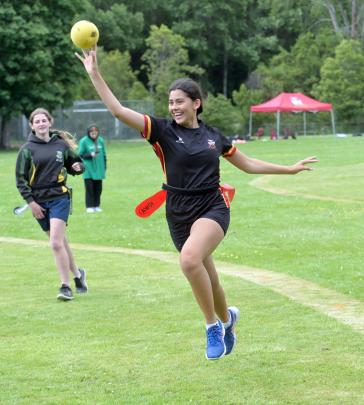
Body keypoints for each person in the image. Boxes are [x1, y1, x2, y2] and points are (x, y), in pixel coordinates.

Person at [76, 47, 318, 360]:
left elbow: (247, 164)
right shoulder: (160, 130)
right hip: (177, 212)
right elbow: (119, 111)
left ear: (196, 103)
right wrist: (94, 73)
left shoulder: (214, 136)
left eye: (180, 101)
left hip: (212, 208)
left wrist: (289, 168)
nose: (174, 107)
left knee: (190, 260)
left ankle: (212, 327)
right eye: (171, 102)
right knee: (208, 274)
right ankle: (229, 319)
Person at [15, 108, 88, 301]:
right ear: (32, 125)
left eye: (43, 120)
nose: (40, 124)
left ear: (50, 122)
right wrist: (31, 203)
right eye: (36, 121)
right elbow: (20, 180)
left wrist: (78, 167)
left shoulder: (61, 145)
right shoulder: (26, 150)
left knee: (55, 243)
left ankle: (65, 286)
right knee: (60, 242)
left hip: (59, 197)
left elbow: (76, 165)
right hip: (38, 201)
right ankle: (78, 275)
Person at [78, 124, 107, 213]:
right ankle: (89, 206)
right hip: (88, 169)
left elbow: (104, 155)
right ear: (88, 133)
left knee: (98, 188)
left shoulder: (101, 140)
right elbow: (80, 155)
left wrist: (104, 167)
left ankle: (96, 205)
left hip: (99, 169)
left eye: (95, 133)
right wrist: (90, 155)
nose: (94, 135)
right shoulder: (84, 141)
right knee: (90, 188)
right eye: (92, 133)